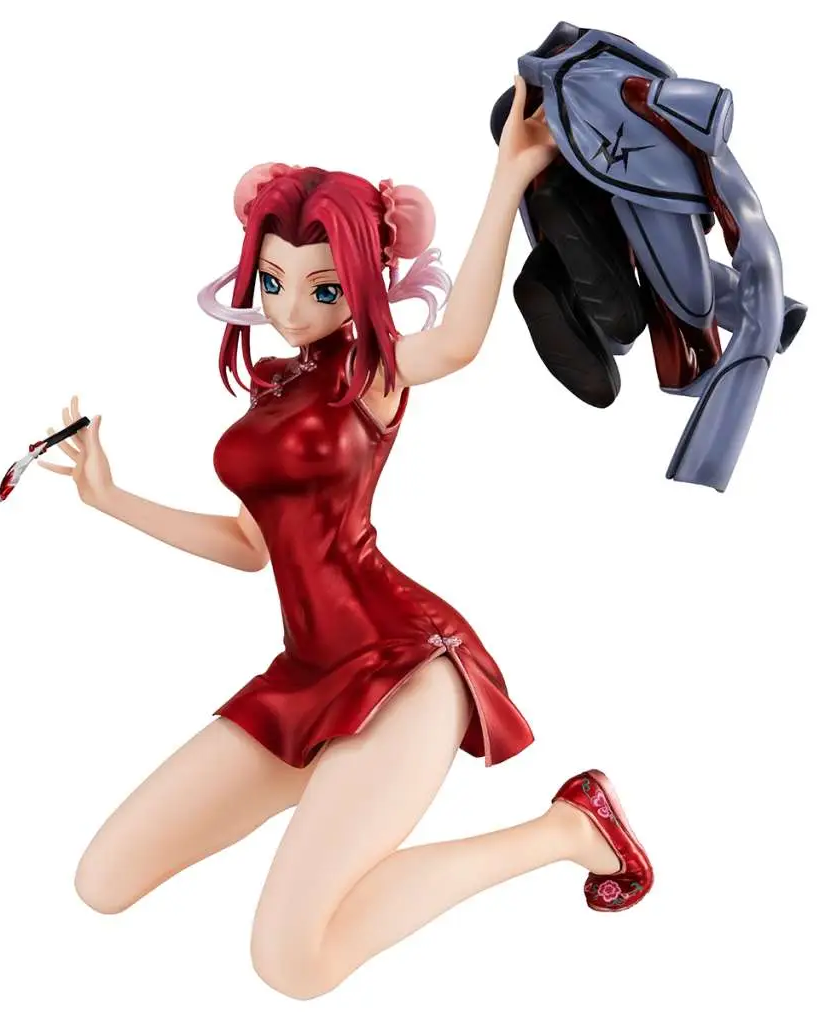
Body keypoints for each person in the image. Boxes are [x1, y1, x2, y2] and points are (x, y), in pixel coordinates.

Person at [39, 77, 653, 1000]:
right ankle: (341, 782)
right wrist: (111, 498)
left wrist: (510, 177)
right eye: (273, 281)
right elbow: (251, 544)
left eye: (322, 287)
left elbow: (457, 342)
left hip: (405, 667)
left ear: (363, 281)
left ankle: (569, 830)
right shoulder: (277, 386)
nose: (291, 309)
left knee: (292, 961)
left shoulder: (372, 373)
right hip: (309, 671)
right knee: (102, 880)